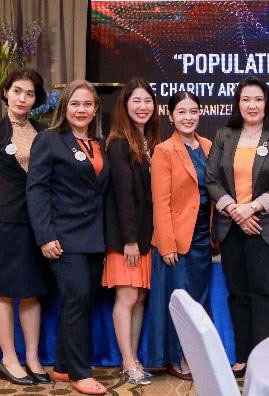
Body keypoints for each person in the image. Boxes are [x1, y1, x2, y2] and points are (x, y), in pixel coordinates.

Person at [206, 77, 269, 378]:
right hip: (231, 228)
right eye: (246, 99)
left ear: (267, 103)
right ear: (238, 104)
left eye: (258, 99)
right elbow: (211, 180)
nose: (252, 105)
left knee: (265, 294)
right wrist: (234, 210)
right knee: (238, 294)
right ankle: (243, 356)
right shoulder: (224, 135)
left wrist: (252, 208)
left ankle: (264, 359)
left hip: (264, 228)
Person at [27, 80, 110, 395]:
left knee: (82, 300)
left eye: (87, 104)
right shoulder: (49, 140)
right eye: (75, 104)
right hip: (62, 237)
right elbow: (36, 190)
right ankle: (79, 372)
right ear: (64, 106)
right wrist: (45, 236)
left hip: (94, 238)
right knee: (76, 298)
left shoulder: (99, 142)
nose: (81, 110)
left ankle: (62, 366)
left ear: (95, 109)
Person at [0, 69, 50, 385]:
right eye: (17, 91)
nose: (22, 98)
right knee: (5, 292)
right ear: (6, 92)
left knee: (32, 292)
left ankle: (32, 358)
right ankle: (9, 359)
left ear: (36, 99)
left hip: (38, 223)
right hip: (6, 222)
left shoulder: (44, 132)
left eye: (29, 93)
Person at [147, 91, 213, 380]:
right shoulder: (164, 150)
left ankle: (197, 355)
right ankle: (176, 359)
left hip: (203, 237)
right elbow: (160, 202)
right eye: (182, 112)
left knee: (199, 301)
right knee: (180, 303)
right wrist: (166, 244)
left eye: (193, 111)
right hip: (176, 239)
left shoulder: (209, 146)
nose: (188, 117)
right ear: (171, 116)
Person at [102, 78, 159, 385]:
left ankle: (134, 358)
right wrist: (130, 240)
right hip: (127, 240)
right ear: (124, 106)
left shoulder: (147, 140)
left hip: (144, 238)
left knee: (138, 299)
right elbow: (123, 195)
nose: (142, 106)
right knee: (126, 298)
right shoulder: (119, 142)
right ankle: (127, 362)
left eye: (147, 101)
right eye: (136, 101)